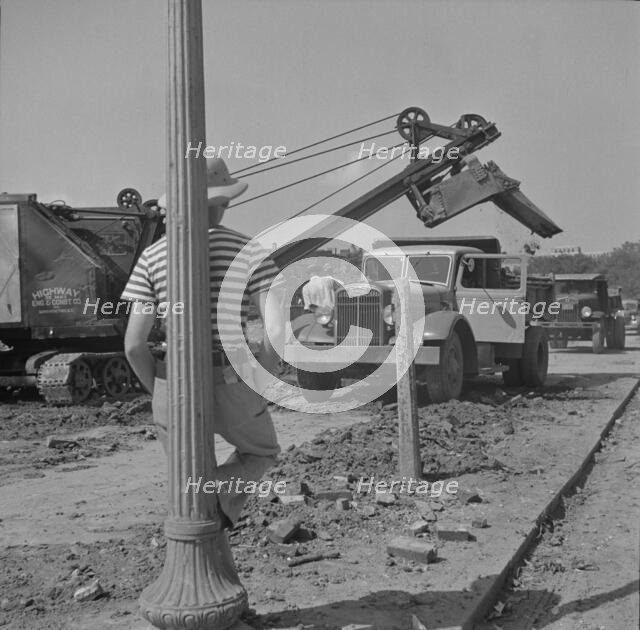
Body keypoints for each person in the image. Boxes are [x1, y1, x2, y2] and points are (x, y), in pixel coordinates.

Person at [121, 156, 284, 528]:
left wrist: (159, 387)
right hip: (230, 376)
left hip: (170, 380)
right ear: (224, 202)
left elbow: (133, 345)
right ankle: (212, 494)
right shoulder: (249, 251)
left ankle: (197, 497)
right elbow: (276, 332)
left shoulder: (152, 256)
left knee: (189, 470)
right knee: (262, 452)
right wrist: (262, 381)